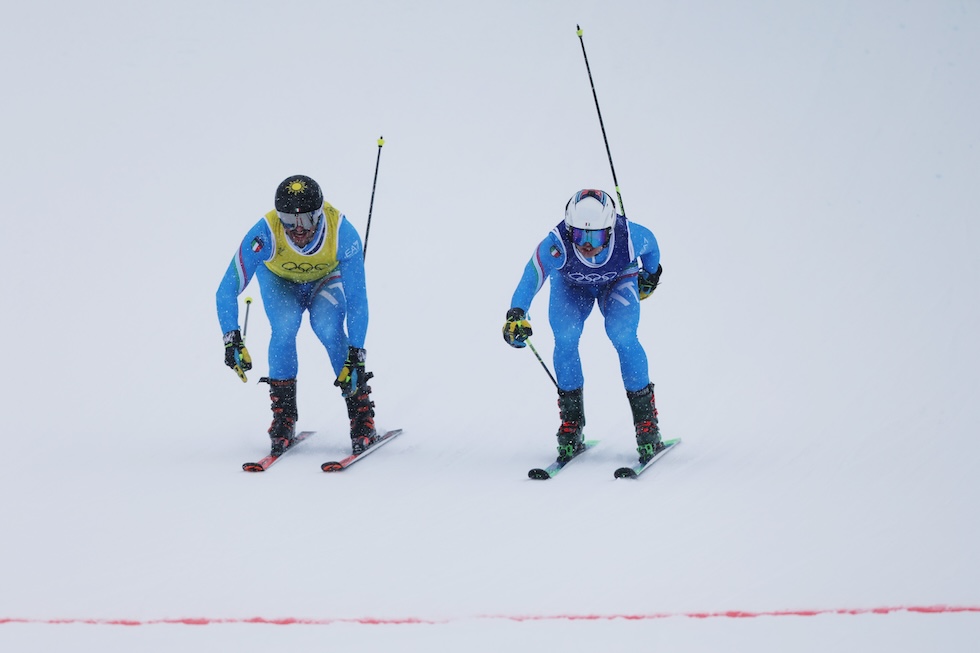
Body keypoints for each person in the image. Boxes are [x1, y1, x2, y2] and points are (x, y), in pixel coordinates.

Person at [216, 174, 380, 456]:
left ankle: (361, 415)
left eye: (305, 220)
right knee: (284, 326)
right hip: (280, 282)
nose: (297, 229)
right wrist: (232, 338)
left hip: (325, 279)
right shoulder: (265, 233)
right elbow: (226, 289)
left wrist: (357, 353)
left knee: (327, 327)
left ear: (320, 213)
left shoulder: (342, 232)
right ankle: (284, 417)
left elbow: (357, 300)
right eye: (288, 220)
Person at [502, 188, 665, 464]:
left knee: (622, 334)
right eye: (579, 235)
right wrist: (516, 313)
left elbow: (652, 247)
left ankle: (646, 424)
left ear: (610, 230)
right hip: (571, 287)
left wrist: (651, 274)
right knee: (566, 337)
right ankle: (572, 424)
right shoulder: (558, 244)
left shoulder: (630, 237)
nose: (586, 244)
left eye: (595, 236)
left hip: (618, 281)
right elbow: (531, 275)